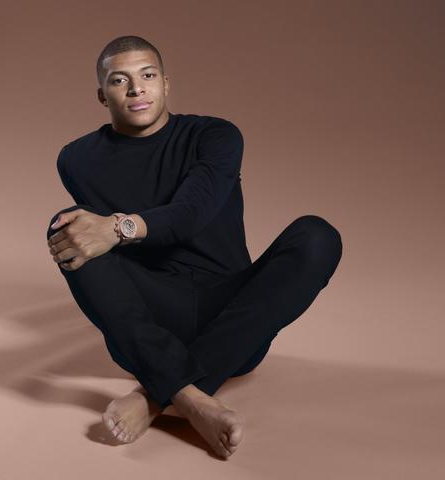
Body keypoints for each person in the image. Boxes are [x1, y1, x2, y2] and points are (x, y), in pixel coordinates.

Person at [46, 35, 342, 460]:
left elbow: (190, 213)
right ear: (102, 95)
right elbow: (94, 243)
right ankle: (189, 397)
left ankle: (157, 396)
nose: (136, 89)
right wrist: (97, 231)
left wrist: (119, 227)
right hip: (152, 318)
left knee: (317, 236)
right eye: (119, 80)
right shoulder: (76, 159)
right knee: (67, 226)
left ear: (166, 83)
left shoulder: (216, 136)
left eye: (148, 76)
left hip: (233, 316)